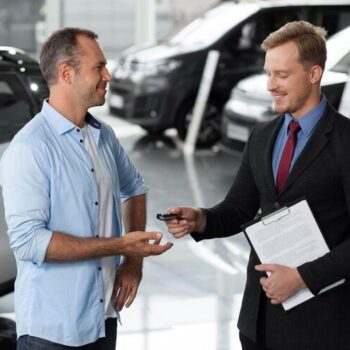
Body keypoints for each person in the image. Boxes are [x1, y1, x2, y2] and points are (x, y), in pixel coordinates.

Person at [164, 21, 350, 350]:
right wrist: (201, 218)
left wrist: (302, 278)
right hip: (258, 321)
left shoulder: (347, 141)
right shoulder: (262, 136)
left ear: (314, 74)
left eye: (282, 75)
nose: (271, 85)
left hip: (322, 327)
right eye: (268, 73)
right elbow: (239, 208)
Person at [0, 27, 173, 349]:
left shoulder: (103, 135)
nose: (107, 75)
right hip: (51, 331)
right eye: (98, 67)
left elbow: (134, 188)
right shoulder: (30, 147)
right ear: (67, 73)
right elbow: (29, 243)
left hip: (103, 316)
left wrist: (132, 263)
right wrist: (121, 245)